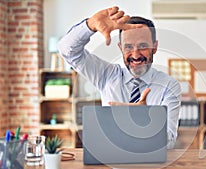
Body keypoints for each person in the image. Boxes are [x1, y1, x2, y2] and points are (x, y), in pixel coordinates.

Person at [58, 6, 181, 148]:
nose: (135, 55)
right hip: (111, 161)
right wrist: (90, 25)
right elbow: (67, 51)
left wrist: (144, 121)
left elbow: (169, 142)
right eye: (128, 47)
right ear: (120, 47)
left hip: (152, 162)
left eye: (142, 46)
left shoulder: (169, 86)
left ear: (155, 47)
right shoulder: (107, 75)